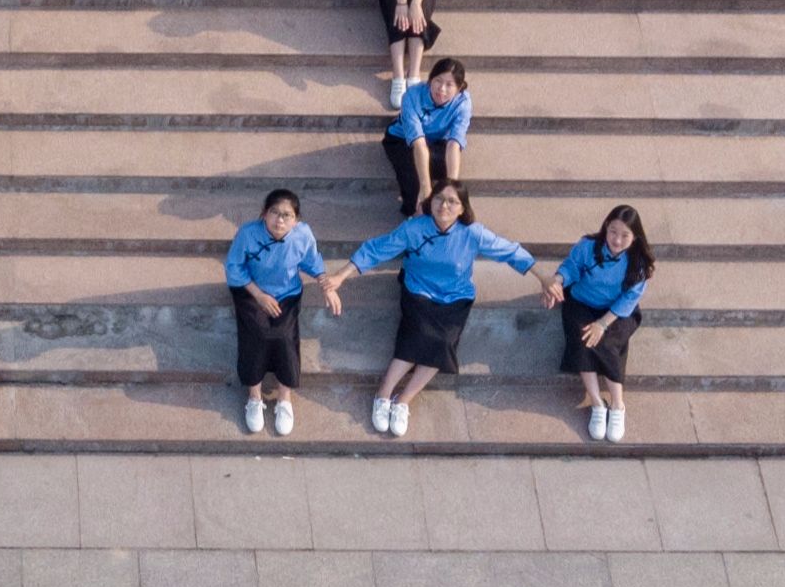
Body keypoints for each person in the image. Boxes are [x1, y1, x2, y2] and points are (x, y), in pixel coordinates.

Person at [322, 180, 552, 439]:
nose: (445, 206)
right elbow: (376, 249)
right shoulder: (414, 228)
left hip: (455, 296)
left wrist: (544, 278)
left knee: (442, 342)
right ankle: (383, 393)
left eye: (452, 201)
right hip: (418, 290)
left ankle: (403, 400)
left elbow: (510, 251)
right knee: (417, 334)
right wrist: (341, 276)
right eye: (439, 199)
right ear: (429, 202)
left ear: (462, 208)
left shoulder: (472, 233)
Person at [224, 188, 339, 437]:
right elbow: (234, 266)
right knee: (257, 333)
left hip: (286, 293)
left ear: (296, 220)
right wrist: (259, 295)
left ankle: (284, 398)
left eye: (287, 215)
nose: (280, 220)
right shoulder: (248, 233)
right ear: (264, 214)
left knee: (284, 338)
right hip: (251, 291)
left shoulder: (302, 235)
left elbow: (313, 261)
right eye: (274, 213)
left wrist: (325, 285)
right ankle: (254, 396)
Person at [546, 204, 655, 443]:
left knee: (605, 342)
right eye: (613, 232)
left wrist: (603, 324)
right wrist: (557, 281)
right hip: (581, 303)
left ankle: (617, 406)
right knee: (584, 339)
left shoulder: (639, 265)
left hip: (616, 311)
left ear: (635, 237)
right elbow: (571, 268)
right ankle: (597, 403)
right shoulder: (588, 247)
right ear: (606, 228)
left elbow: (629, 299)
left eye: (625, 235)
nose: (617, 240)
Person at [381, 56, 468, 212]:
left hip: (436, 141)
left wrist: (451, 188)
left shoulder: (463, 103)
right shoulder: (411, 97)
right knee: (413, 182)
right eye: (438, 81)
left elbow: (454, 144)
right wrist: (425, 188)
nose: (441, 89)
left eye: (449, 85)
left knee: (447, 171)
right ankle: (413, 214)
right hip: (402, 140)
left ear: (459, 88)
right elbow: (419, 144)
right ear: (430, 80)